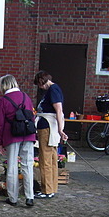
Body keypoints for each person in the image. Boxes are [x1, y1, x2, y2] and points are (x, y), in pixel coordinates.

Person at [0, 74, 36, 208]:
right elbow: (32, 116)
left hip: (11, 136)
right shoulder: (26, 97)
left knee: (12, 167)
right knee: (28, 165)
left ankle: (13, 198)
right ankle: (30, 197)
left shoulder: (3, 101)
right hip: (28, 135)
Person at [32, 70, 67, 198]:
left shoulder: (52, 90)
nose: (40, 88)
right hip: (49, 126)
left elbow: (58, 110)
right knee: (52, 158)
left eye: (39, 85)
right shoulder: (54, 89)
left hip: (47, 127)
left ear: (42, 82)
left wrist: (60, 129)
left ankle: (46, 189)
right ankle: (51, 187)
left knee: (45, 159)